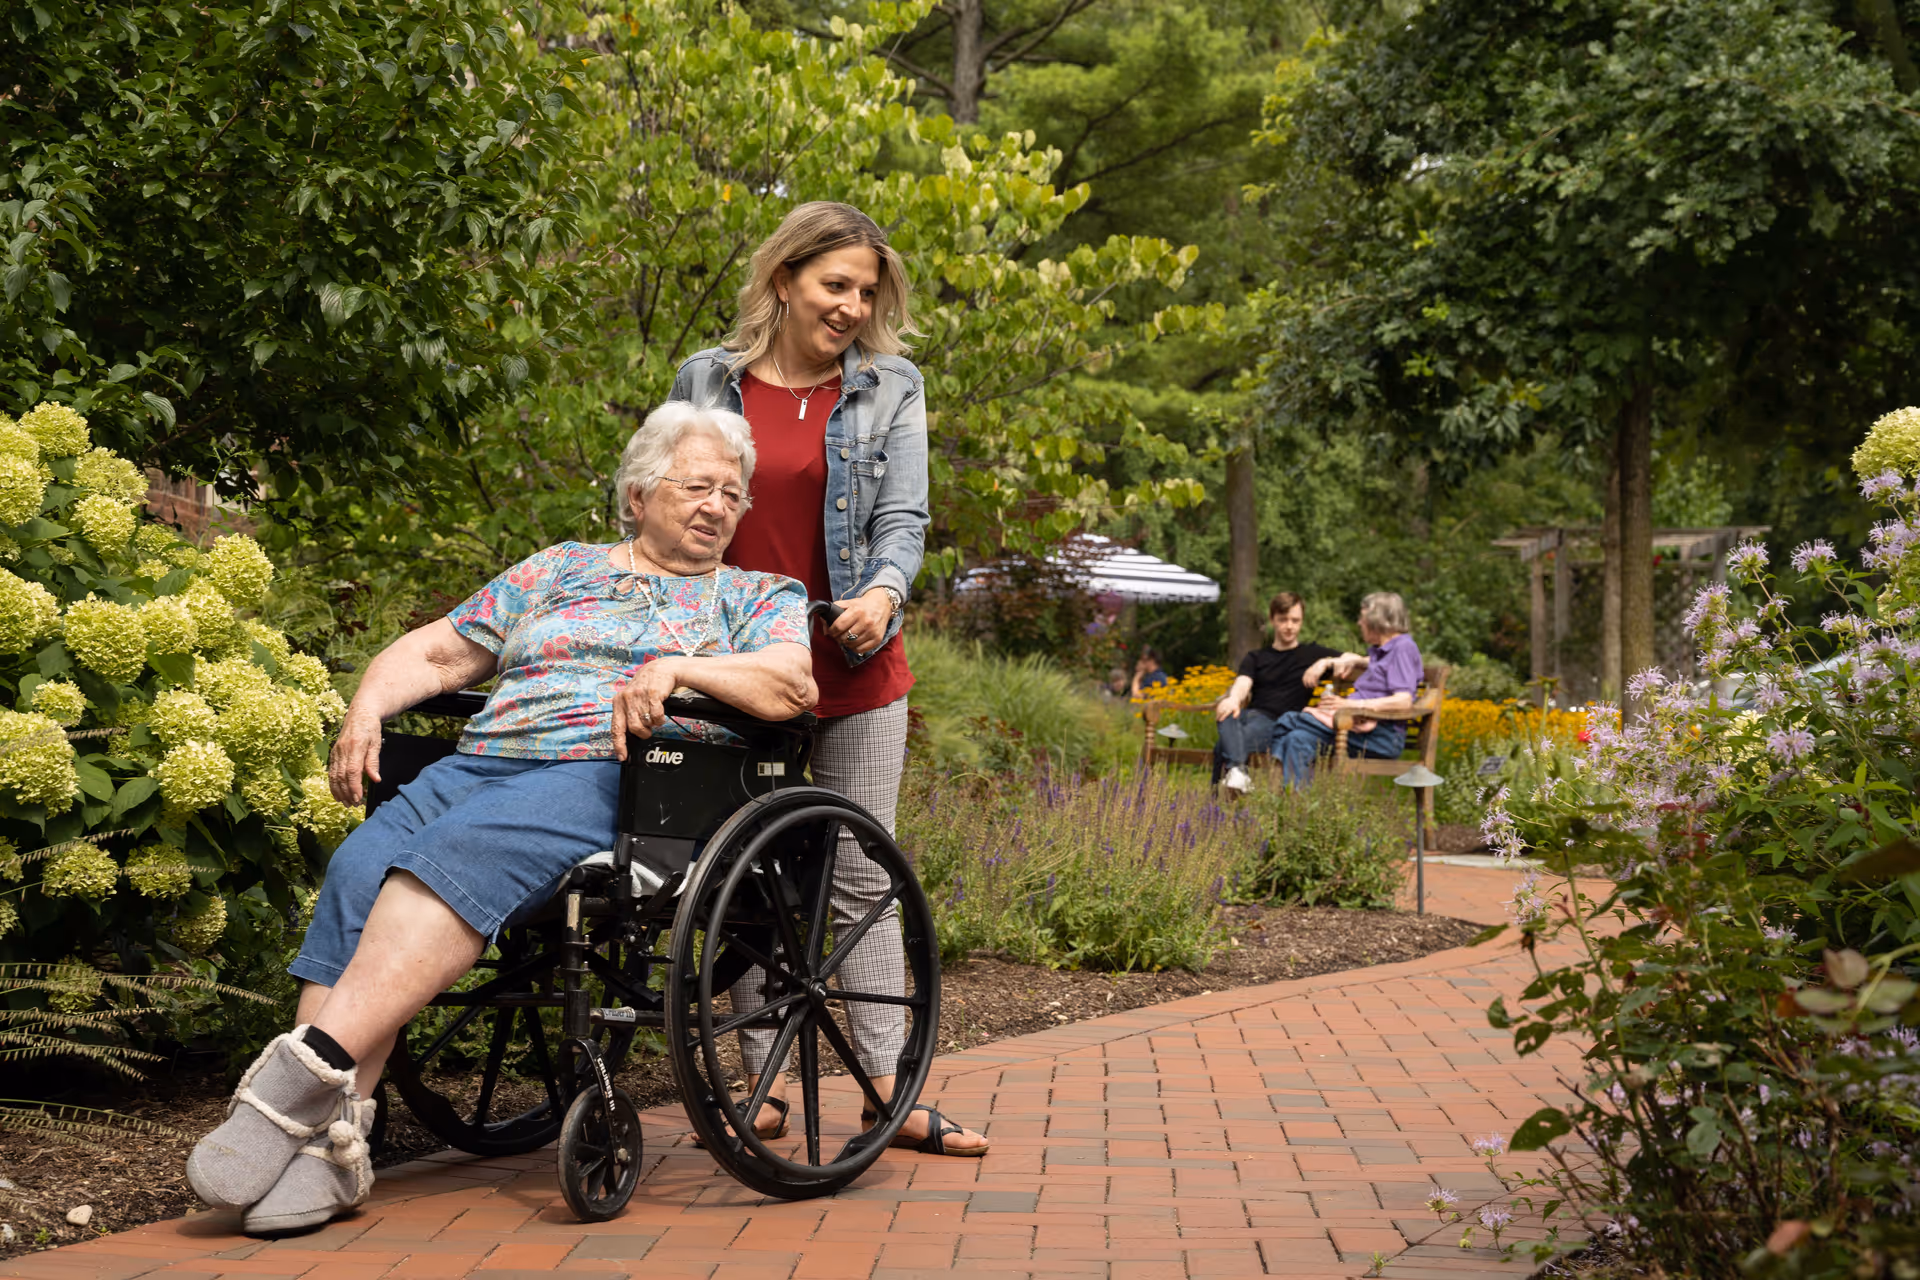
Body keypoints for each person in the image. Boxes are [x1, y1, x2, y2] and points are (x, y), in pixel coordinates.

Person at [185, 403, 814, 1234]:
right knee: (357, 869)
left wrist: (681, 667)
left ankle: (290, 1094)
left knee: (452, 856)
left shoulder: (757, 595)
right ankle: (332, 1142)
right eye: (697, 486)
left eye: (732, 495)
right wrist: (366, 707)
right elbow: (439, 652)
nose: (716, 506)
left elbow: (791, 688)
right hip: (482, 760)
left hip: (612, 774)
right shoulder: (555, 569)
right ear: (636, 496)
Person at [669, 201, 986, 1157]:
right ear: (784, 281)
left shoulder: (893, 387)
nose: (851, 305)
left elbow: (903, 519)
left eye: (865, 290)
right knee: (752, 870)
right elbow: (660, 497)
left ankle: (889, 1085)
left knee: (857, 873)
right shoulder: (705, 380)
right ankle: (760, 1077)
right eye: (834, 284)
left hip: (852, 666)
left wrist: (885, 596)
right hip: (735, 665)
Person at [1270, 591, 1424, 789]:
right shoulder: (1385, 651)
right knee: (1296, 739)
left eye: (1363, 618)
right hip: (1357, 728)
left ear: (1377, 620)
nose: (1359, 623)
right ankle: (1299, 810)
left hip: (1380, 736)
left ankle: (1272, 785)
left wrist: (1350, 704)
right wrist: (1344, 660)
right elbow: (1383, 667)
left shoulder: (1403, 648)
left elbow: (1403, 701)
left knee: (1288, 720)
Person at [1213, 592, 1340, 793]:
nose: (1289, 626)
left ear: (1302, 621)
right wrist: (1234, 699)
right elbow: (1243, 682)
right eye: (1283, 620)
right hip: (1250, 716)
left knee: (1223, 744)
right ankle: (1237, 773)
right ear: (1272, 620)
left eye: (1295, 620)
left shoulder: (1312, 655)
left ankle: (1219, 799)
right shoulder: (1256, 657)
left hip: (1279, 723)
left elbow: (1362, 660)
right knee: (1226, 709)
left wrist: (1325, 662)